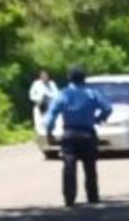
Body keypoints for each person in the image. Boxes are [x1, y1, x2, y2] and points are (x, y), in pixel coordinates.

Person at [46, 66, 113, 207]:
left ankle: (69, 197)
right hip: (87, 133)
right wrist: (98, 119)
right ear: (84, 79)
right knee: (90, 166)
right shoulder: (92, 94)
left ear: (69, 78)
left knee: (69, 166)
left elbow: (51, 114)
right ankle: (92, 196)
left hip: (69, 133)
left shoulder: (63, 94)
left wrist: (49, 131)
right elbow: (108, 108)